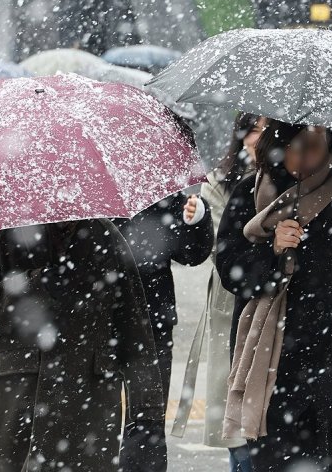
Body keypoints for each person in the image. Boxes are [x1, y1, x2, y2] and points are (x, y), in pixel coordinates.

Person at [216, 121, 332, 472]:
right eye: (299, 146)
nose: (306, 156)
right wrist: (273, 253)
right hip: (270, 357)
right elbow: (229, 267)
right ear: (279, 144)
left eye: (316, 146)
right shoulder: (250, 192)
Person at [0, 220, 165, 472]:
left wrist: (146, 415)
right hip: (18, 392)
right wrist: (33, 287)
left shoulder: (103, 234)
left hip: (89, 398)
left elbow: (134, 330)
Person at [173, 112, 265, 472]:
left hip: (282, 305)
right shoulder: (222, 183)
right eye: (255, 131)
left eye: (269, 131)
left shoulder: (299, 179)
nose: (260, 139)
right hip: (233, 303)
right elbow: (218, 247)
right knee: (236, 416)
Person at [115, 186, 214, 472]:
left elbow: (191, 253)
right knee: (95, 417)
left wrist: (197, 218)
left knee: (146, 420)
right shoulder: (83, 187)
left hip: (150, 322)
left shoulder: (155, 189)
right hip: (94, 320)